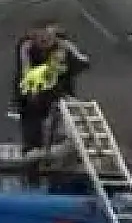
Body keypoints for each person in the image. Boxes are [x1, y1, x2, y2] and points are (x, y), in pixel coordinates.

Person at [13, 24, 91, 156]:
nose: (45, 41)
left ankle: (64, 141)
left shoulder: (63, 46)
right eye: (41, 38)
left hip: (58, 91)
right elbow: (25, 70)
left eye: (48, 38)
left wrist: (78, 58)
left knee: (60, 110)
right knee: (31, 112)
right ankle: (33, 147)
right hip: (37, 91)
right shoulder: (27, 48)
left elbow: (80, 61)